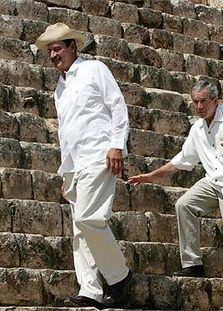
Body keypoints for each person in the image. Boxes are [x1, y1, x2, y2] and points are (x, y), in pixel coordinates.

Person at [128, 80, 223, 310]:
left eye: (203, 102)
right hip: (215, 182)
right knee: (185, 204)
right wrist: (152, 175)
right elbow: (182, 161)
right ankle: (193, 263)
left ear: (215, 101)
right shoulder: (197, 129)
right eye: (195, 102)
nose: (198, 107)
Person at [35, 23, 132, 308]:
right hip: (75, 166)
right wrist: (65, 173)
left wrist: (117, 145)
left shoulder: (94, 70)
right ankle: (90, 291)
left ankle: (120, 276)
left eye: (57, 48)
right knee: (80, 229)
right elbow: (66, 133)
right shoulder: (59, 88)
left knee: (90, 220)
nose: (52, 55)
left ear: (72, 47)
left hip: (99, 156)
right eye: (49, 51)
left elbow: (117, 106)